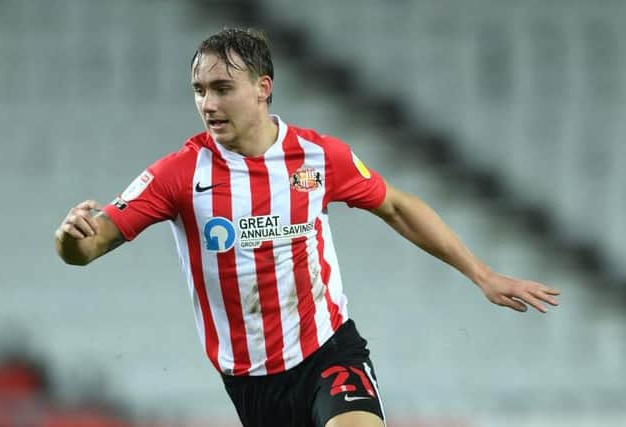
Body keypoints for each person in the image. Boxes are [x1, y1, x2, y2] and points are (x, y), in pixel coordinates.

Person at [54, 28, 561, 427]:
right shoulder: (180, 174)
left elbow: (398, 206)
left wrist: (481, 274)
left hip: (328, 348)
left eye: (222, 89)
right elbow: (91, 246)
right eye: (199, 90)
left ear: (262, 89)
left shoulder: (317, 157)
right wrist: (69, 241)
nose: (208, 103)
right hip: (251, 381)